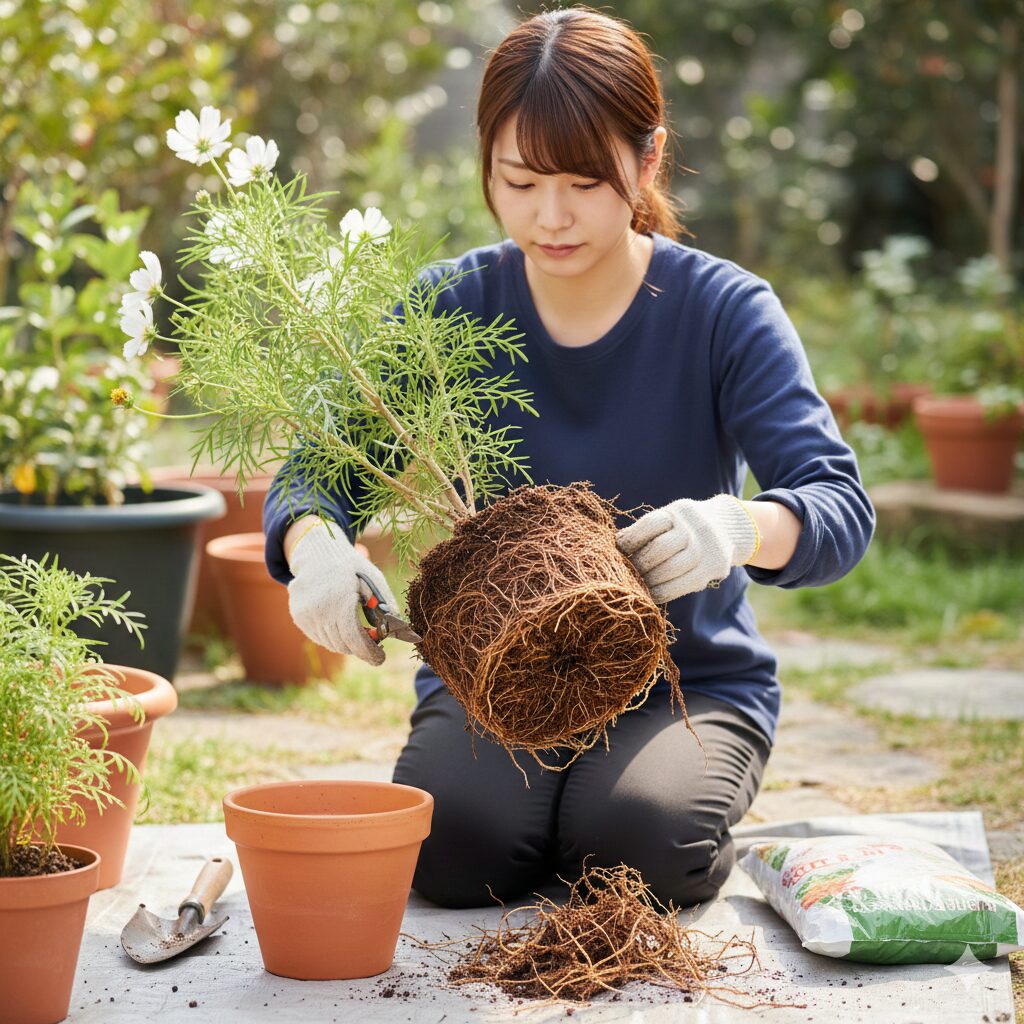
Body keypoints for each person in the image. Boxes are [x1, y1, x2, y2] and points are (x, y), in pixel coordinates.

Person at [263, 6, 875, 910]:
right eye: (519, 180)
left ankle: (622, 806)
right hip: (492, 672)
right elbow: (320, 471)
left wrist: (738, 527)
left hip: (684, 683)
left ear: (647, 160)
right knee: (449, 855)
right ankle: (544, 815)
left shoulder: (724, 312)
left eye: (585, 181)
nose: (549, 216)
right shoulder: (449, 309)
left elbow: (839, 507)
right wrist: (315, 546)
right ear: (486, 165)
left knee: (637, 850)